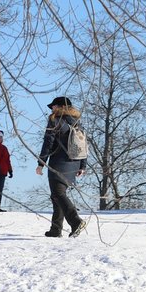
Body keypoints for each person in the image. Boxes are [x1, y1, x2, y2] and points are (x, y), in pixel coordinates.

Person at [36, 96, 87, 238]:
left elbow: (48, 142)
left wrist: (41, 163)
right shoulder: (77, 122)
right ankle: (55, 229)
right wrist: (82, 165)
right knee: (57, 196)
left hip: (59, 162)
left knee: (58, 194)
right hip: (75, 162)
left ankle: (76, 221)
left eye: (53, 106)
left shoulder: (54, 120)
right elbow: (83, 144)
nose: (52, 108)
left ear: (59, 107)